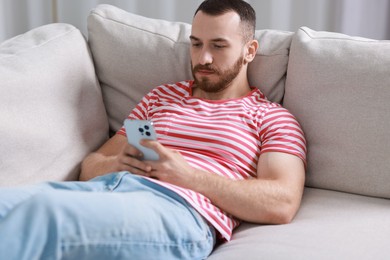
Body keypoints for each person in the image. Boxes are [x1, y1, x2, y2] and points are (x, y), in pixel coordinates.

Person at [0, 0, 306, 259]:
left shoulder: (271, 117)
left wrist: (189, 177)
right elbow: (90, 167)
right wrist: (116, 164)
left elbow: (282, 202)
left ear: (249, 50)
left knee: (41, 216)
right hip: (103, 191)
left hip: (177, 211)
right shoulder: (161, 98)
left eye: (218, 46)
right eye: (196, 44)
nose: (203, 58)